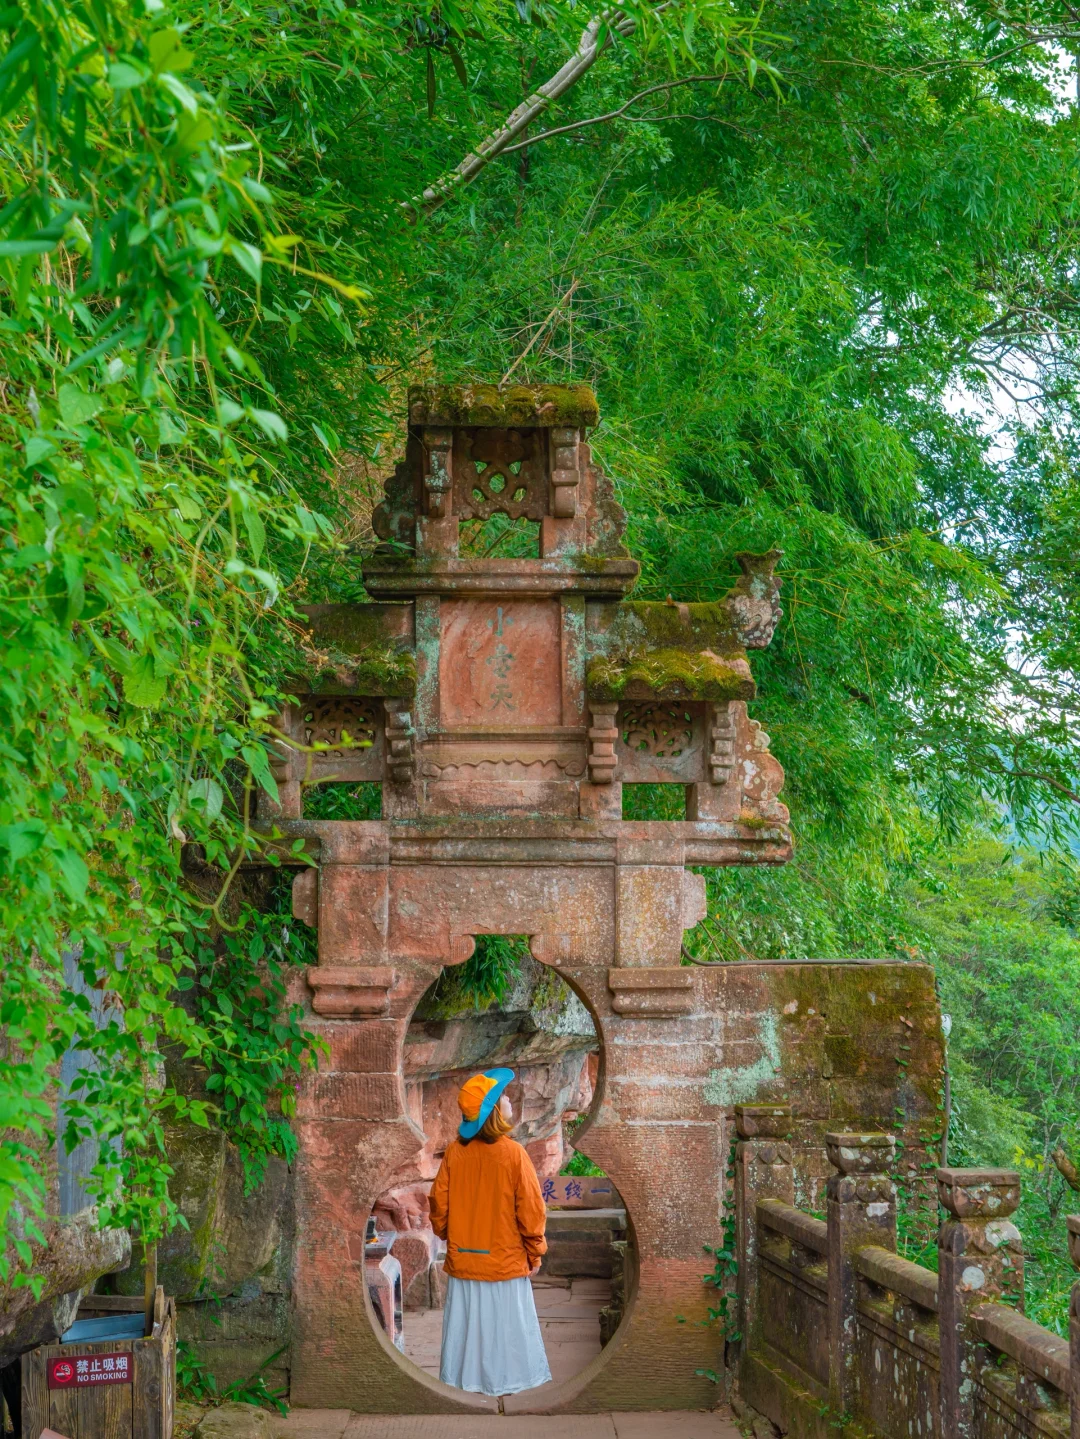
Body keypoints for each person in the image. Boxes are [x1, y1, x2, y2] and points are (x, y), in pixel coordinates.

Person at [429, 1067, 553, 1396]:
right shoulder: (514, 1154)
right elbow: (532, 1211)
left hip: (465, 1261)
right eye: (503, 1096)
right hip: (505, 1263)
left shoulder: (455, 1152)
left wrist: (454, 1234)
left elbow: (438, 1205)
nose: (509, 1098)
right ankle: (505, 1384)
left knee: (467, 1328)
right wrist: (536, 1252)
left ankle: (466, 1383)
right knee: (506, 1328)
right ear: (495, 1110)